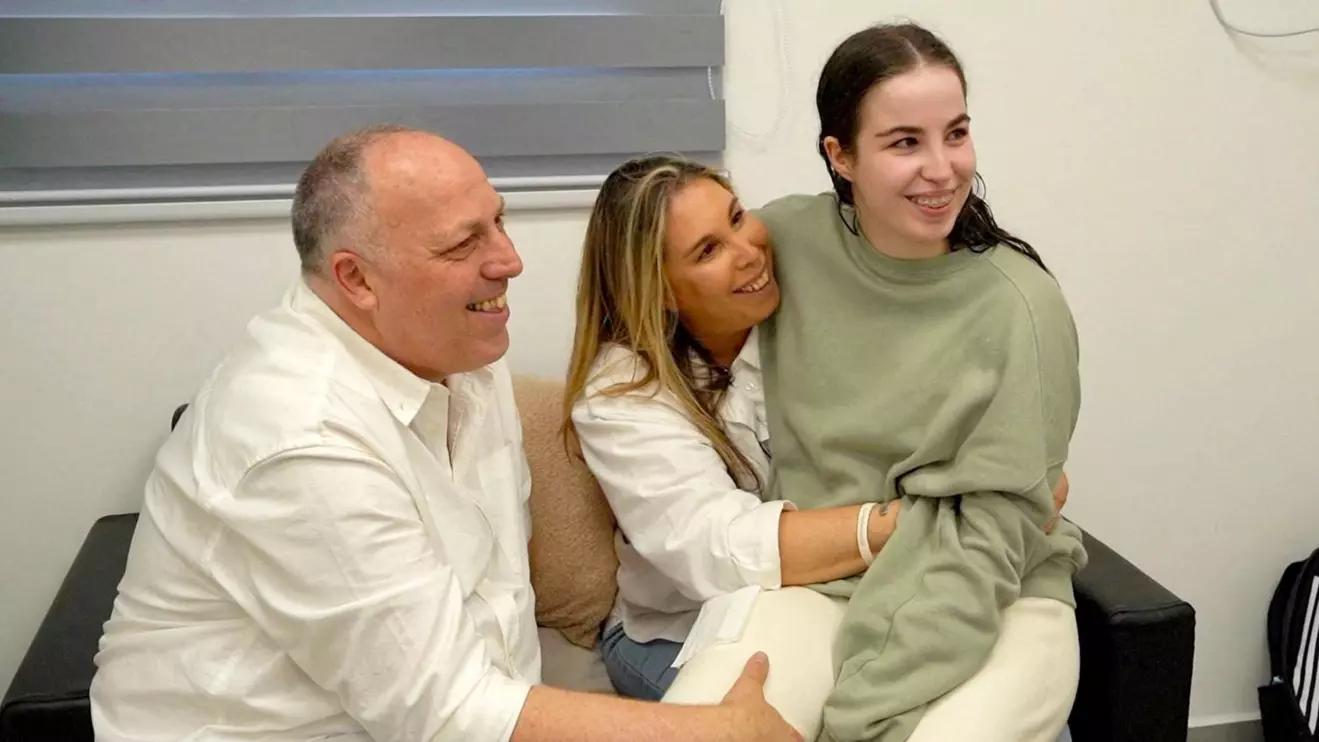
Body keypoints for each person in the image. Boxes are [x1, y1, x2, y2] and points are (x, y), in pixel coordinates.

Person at [88, 125, 801, 742]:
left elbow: (492, 616)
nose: (509, 261)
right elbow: (445, 712)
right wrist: (711, 730)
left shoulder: (459, 350)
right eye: (464, 243)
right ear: (356, 280)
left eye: (499, 220)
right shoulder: (299, 438)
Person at [562, 152, 1071, 738]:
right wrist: (929, 521)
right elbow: (720, 552)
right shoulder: (620, 395)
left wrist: (1013, 481)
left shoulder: (811, 302)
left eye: (735, 217)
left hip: (861, 585)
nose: (749, 250)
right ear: (660, 290)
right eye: (707, 250)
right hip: (682, 625)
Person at [757, 22, 1087, 742]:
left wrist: (865, 713)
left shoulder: (1020, 306)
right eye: (905, 141)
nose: (942, 168)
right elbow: (654, 299)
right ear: (838, 156)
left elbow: (988, 540)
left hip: (995, 592)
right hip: (822, 580)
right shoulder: (782, 243)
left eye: (956, 133)